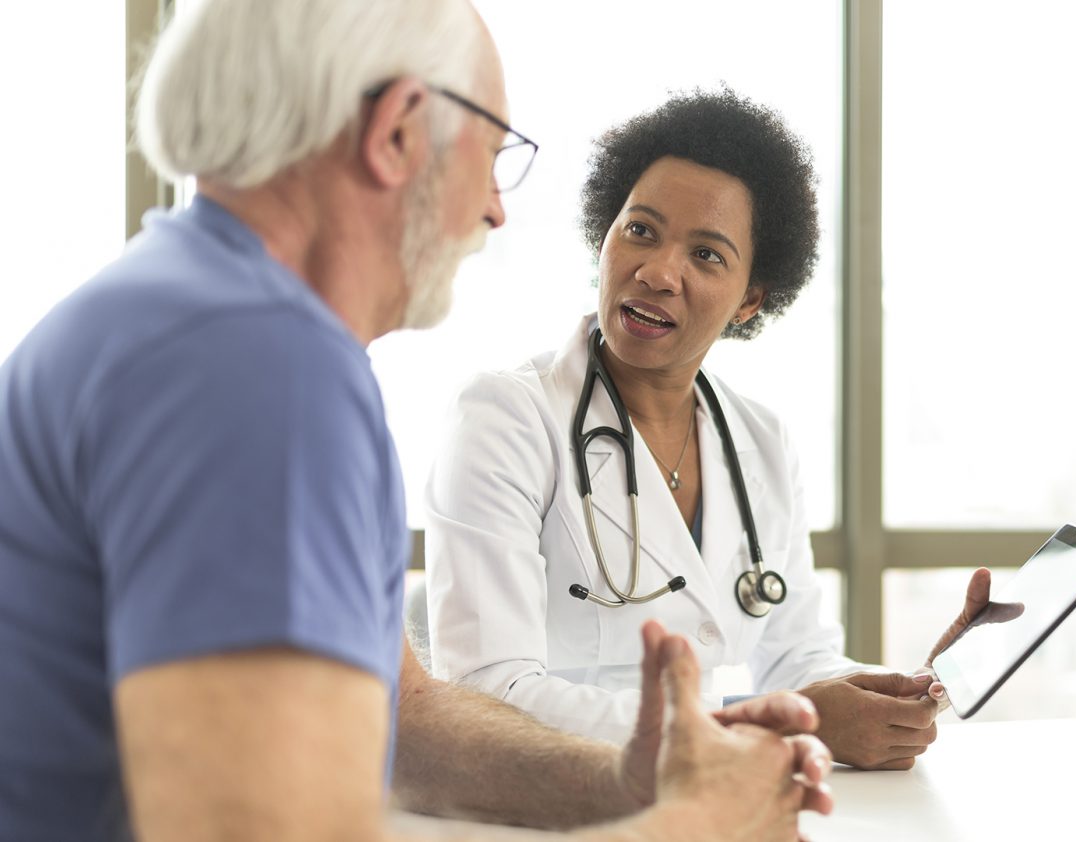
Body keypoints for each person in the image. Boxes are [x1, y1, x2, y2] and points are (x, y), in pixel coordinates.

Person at [0, 3, 835, 840]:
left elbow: (411, 725)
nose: (496, 211)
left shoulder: (218, 317)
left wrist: (634, 782)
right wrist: (696, 825)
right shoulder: (250, 363)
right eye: (493, 152)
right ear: (398, 130)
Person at [424, 88, 993, 771]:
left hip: (706, 807)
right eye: (640, 229)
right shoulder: (507, 419)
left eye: (707, 255)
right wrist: (773, 730)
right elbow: (491, 691)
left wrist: (900, 694)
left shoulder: (761, 441)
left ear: (751, 299)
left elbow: (798, 658)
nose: (658, 271)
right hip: (553, 812)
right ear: (604, 234)